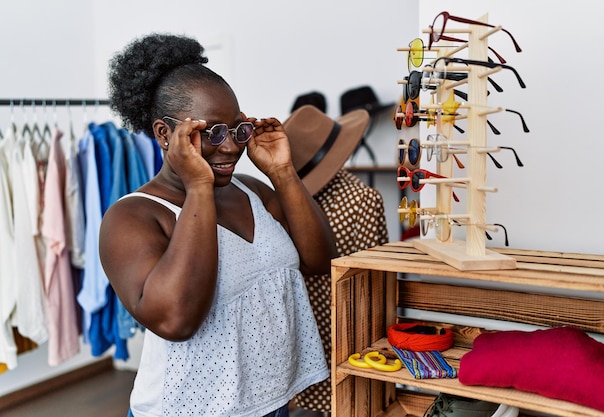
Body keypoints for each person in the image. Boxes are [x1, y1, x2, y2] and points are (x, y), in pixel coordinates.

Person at [99, 33, 337, 417]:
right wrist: (198, 186)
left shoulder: (254, 190)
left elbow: (320, 261)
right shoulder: (132, 218)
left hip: (271, 403)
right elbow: (176, 321)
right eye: (210, 132)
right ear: (165, 134)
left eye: (236, 129)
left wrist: (283, 172)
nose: (230, 147)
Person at [282, 104, 390, 415]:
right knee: (353, 402)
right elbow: (375, 282)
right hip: (347, 326)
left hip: (303, 326)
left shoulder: (282, 203)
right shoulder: (363, 199)